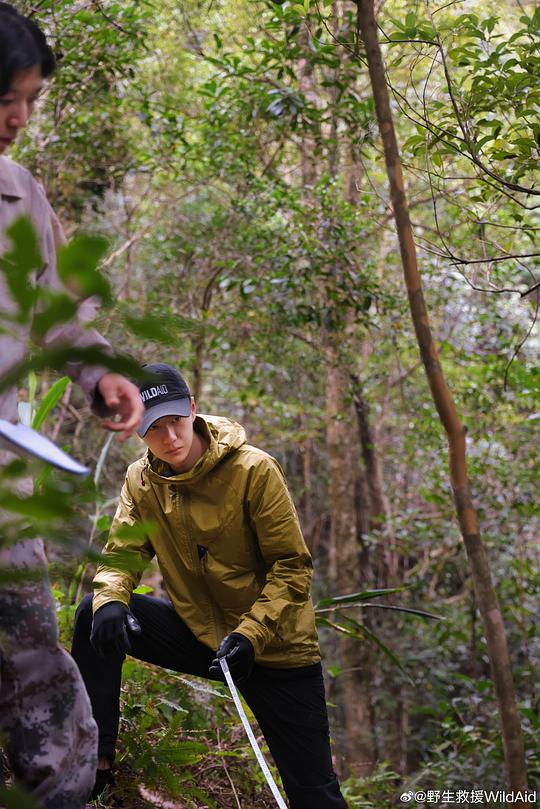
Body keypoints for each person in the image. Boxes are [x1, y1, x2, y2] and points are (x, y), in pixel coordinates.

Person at [72, 363, 348, 808]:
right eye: (154, 427)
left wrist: (251, 634)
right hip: (202, 637)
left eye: (176, 421)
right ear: (136, 429)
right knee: (94, 611)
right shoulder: (141, 480)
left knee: (314, 794)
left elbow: (292, 567)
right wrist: (111, 598)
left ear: (193, 409)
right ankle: (94, 766)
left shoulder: (254, 470)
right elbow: (122, 555)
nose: (170, 437)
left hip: (274, 649)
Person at [0, 4, 144, 807]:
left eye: (29, 100)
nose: (18, 119)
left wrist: (99, 375)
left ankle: (62, 792)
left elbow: (58, 311)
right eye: (4, 99)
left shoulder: (19, 193)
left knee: (31, 654)